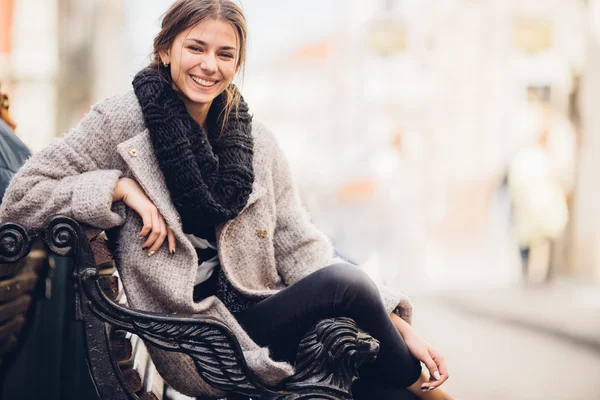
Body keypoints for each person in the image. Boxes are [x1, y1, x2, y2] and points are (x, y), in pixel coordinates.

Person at [0, 1, 452, 399]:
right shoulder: (122, 122)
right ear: (166, 50)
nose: (209, 65)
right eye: (195, 48)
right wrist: (118, 187)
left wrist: (393, 321)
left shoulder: (255, 141)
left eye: (225, 54)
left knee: (369, 375)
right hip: (200, 339)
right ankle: (434, 393)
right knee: (345, 285)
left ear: (238, 64)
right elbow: (22, 196)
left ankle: (416, 389)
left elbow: (300, 246)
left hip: (262, 317)